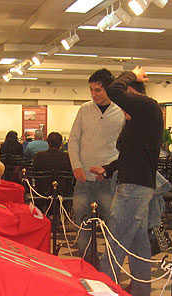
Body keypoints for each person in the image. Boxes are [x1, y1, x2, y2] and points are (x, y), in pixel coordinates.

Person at [90, 67, 162, 296]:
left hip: (135, 189)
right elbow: (130, 156)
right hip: (134, 185)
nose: (121, 106)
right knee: (137, 245)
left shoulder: (148, 108)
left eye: (125, 100)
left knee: (115, 243)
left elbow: (114, 90)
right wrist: (108, 169)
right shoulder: (136, 120)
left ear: (135, 95)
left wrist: (133, 73)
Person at [68, 68, 125, 260]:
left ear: (109, 89)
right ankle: (87, 266)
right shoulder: (84, 110)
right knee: (83, 225)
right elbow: (74, 140)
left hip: (109, 181)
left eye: (98, 90)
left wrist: (109, 170)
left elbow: (125, 147)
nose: (94, 95)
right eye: (91, 90)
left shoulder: (120, 112)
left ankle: (109, 268)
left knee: (113, 226)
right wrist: (76, 166)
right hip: (84, 180)